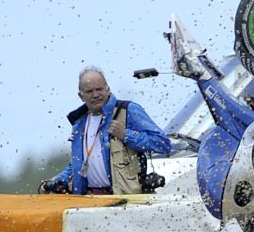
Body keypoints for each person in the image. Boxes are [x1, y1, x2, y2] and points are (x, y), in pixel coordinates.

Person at [40, 66, 171, 195]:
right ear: (81, 96)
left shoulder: (127, 110)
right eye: (90, 91)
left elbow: (163, 144)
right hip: (89, 199)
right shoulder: (79, 122)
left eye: (99, 89)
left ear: (108, 89)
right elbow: (78, 165)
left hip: (127, 200)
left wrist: (126, 135)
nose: (95, 94)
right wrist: (55, 182)